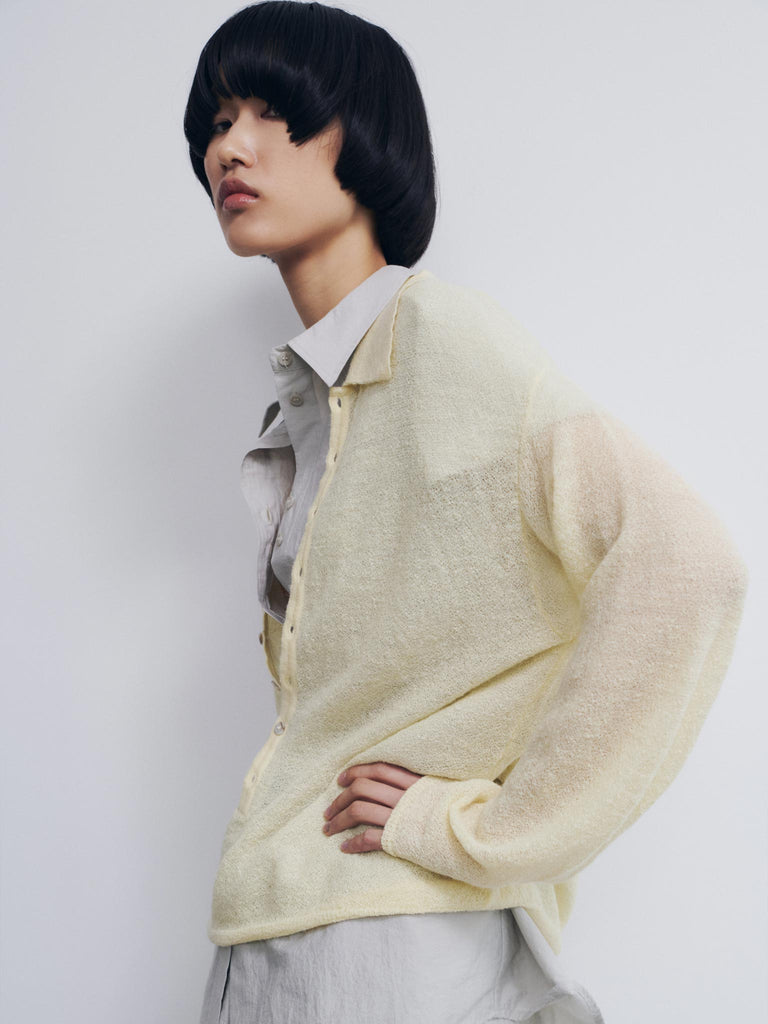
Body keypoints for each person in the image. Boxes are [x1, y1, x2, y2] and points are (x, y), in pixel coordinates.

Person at [183, 3, 749, 1022]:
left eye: (272, 112)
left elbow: (687, 564)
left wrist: (486, 827)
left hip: (388, 937)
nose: (231, 146)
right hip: (278, 928)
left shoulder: (442, 339)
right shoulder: (310, 405)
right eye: (218, 122)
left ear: (363, 135)